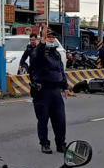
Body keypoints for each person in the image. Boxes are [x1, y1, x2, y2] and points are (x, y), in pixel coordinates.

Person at [29, 24, 72, 154]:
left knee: (60, 120)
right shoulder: (37, 52)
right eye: (48, 37)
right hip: (42, 91)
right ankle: (44, 144)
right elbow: (38, 55)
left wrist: (65, 87)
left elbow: (60, 71)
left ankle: (61, 144)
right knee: (43, 119)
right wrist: (42, 40)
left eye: (53, 37)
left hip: (55, 91)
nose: (51, 39)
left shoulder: (56, 54)